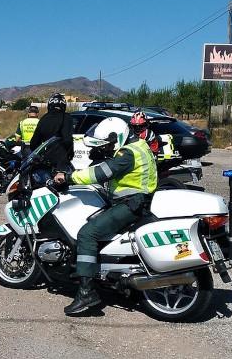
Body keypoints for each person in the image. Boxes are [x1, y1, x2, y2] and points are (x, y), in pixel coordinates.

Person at [53, 117, 158, 315]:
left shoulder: (128, 154)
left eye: (108, 145)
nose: (107, 149)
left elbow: (102, 172)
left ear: (117, 138)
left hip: (130, 204)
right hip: (137, 200)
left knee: (87, 234)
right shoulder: (139, 145)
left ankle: (86, 293)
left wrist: (69, 177)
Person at [29, 93, 73, 172]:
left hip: (46, 161)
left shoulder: (44, 118)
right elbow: (68, 140)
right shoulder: (66, 117)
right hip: (61, 161)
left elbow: (34, 142)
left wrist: (40, 156)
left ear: (49, 105)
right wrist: (70, 154)